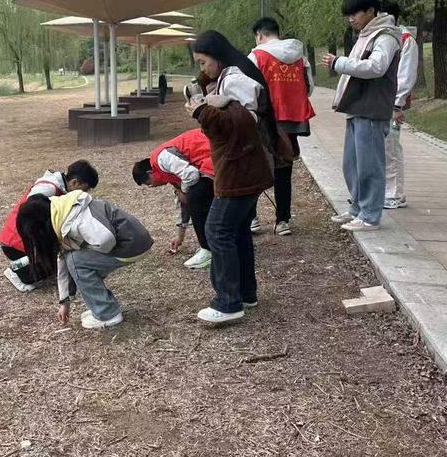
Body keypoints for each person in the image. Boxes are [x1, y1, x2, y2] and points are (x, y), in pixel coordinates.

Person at [186, 30, 285, 325]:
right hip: (244, 165)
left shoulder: (236, 79)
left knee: (217, 230)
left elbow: (241, 123)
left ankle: (228, 302)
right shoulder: (229, 76)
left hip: (239, 167)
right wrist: (205, 94)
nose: (202, 68)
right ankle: (245, 293)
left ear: (217, 56)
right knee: (237, 230)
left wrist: (201, 111)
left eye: (203, 62)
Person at [320, 0, 401, 232]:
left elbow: (376, 67)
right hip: (357, 106)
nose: (351, 19)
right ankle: (358, 208)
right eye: (349, 14)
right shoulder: (366, 34)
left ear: (371, 11)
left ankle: (370, 215)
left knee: (370, 166)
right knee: (352, 164)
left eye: (355, 13)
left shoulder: (385, 36)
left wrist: (339, 62)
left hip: (372, 107)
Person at [16, 191, 153, 330]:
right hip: (133, 240)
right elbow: (62, 262)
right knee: (73, 259)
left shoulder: (75, 221)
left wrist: (82, 247)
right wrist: (64, 303)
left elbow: (106, 240)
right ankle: (103, 308)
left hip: (132, 244)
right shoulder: (62, 212)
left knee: (76, 260)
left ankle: (107, 314)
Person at [248, 17, 316, 236]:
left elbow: (248, 90)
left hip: (265, 121)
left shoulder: (256, 56)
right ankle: (283, 220)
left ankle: (252, 218)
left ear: (259, 35)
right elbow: (309, 88)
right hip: (292, 121)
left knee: (256, 166)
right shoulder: (299, 56)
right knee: (284, 168)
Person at [0, 160, 100, 292]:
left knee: (63, 263)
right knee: (54, 266)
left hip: (26, 238)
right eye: (85, 189)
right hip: (16, 242)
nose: (85, 194)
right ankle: (15, 271)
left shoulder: (59, 188)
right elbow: (31, 213)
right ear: (74, 183)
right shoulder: (47, 189)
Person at [132, 127, 215, 270]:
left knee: (196, 196)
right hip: (210, 160)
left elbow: (192, 175)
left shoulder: (162, 158)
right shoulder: (170, 175)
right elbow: (182, 204)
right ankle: (215, 243)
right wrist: (179, 237)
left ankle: (208, 249)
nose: (153, 186)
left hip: (215, 153)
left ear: (150, 173)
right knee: (194, 195)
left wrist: (184, 191)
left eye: (149, 184)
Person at [379, 0, 418, 210]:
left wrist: (397, 105)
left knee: (391, 148)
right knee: (381, 148)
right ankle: (382, 191)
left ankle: (394, 194)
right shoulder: (384, 38)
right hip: (379, 102)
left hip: (392, 104)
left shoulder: (405, 40)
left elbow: (405, 75)